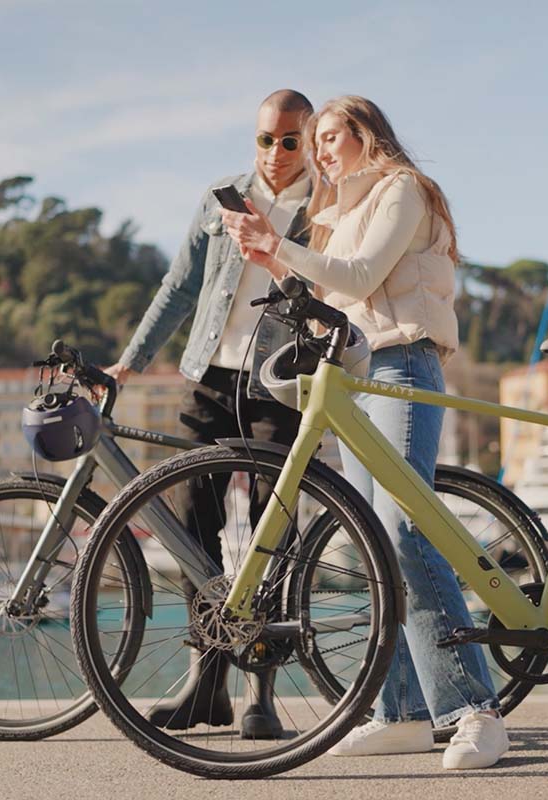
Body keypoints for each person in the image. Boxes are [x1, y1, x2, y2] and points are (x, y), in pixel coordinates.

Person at [222, 95, 509, 770]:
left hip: (402, 362)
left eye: (330, 135)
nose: (320, 149)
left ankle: (476, 711)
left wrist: (280, 243)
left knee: (408, 528)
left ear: (367, 133)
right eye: (314, 139)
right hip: (355, 374)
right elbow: (337, 296)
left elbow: (361, 277)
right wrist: (275, 261)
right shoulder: (336, 214)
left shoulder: (402, 189)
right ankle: (402, 714)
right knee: (376, 542)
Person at [103, 89, 314, 739]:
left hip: (280, 385)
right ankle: (205, 682)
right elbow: (179, 286)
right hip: (210, 379)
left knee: (271, 530)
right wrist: (129, 363)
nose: (275, 153)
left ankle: (260, 692)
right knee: (188, 523)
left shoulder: (324, 207)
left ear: (308, 140)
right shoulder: (221, 195)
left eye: (289, 141)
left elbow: (331, 286)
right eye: (264, 139)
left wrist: (277, 250)